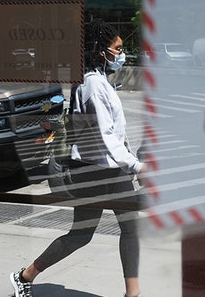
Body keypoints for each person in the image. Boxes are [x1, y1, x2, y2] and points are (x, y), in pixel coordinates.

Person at [10, 18, 145, 297]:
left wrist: (130, 161)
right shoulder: (93, 84)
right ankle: (25, 275)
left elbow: (114, 136)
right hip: (97, 171)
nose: (122, 54)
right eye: (118, 49)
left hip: (108, 170)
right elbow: (105, 136)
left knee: (124, 230)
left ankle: (132, 294)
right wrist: (136, 165)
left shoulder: (100, 82)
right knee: (86, 234)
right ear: (101, 51)